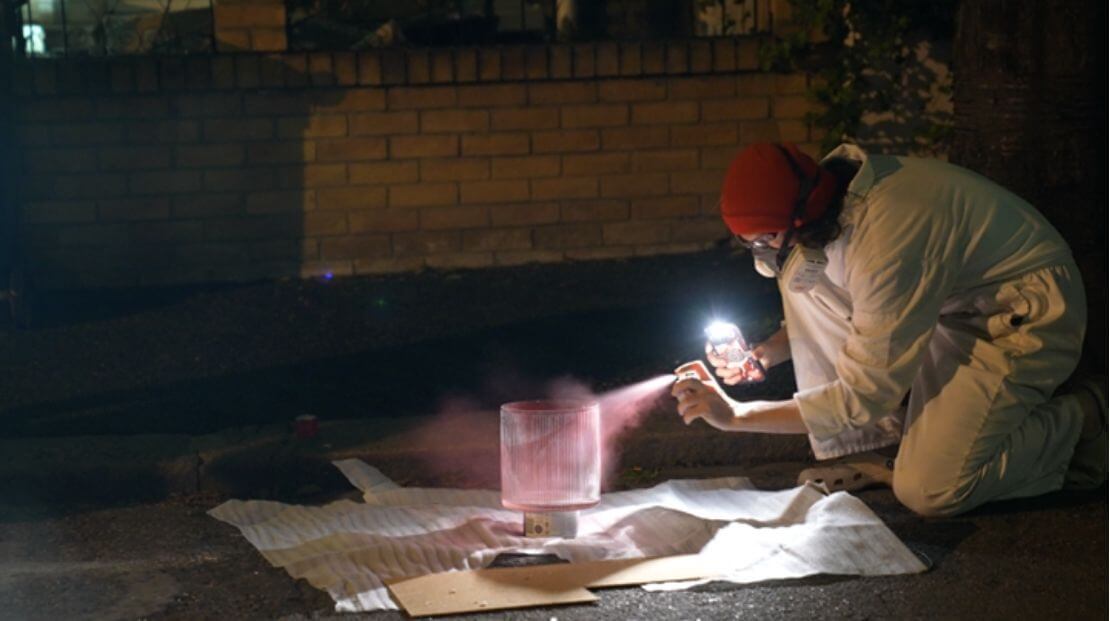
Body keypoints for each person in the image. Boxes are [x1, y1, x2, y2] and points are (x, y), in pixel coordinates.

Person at [672, 142, 1106, 517]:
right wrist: (765, 353)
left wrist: (737, 415)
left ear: (800, 218)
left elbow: (864, 395)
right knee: (799, 276)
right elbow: (845, 303)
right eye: (749, 242)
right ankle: (882, 446)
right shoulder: (835, 204)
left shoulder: (889, 239)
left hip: (1020, 313)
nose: (759, 253)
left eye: (764, 238)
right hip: (951, 309)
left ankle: (1091, 412)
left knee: (931, 490)